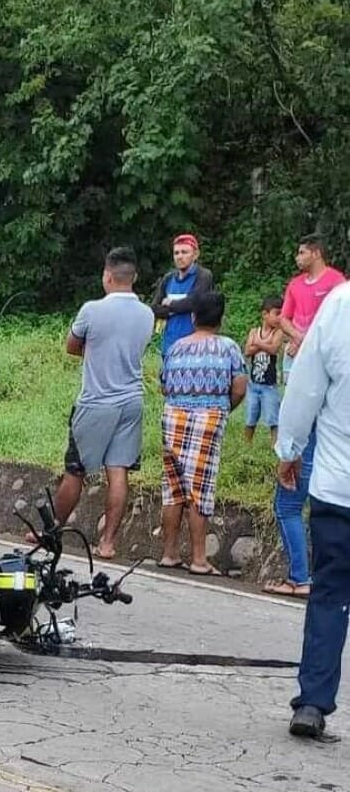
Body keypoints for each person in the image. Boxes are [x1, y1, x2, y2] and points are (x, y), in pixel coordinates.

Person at [276, 280, 350, 739]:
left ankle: (313, 704)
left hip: (338, 484)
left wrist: (290, 448)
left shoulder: (339, 305)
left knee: (329, 593)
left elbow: (304, 389)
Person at [47, 247, 155, 559]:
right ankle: (107, 542)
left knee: (75, 470)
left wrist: (95, 352)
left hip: (96, 402)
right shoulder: (147, 314)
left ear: (107, 276)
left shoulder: (91, 310)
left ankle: (53, 529)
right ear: (133, 278)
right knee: (118, 471)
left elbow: (71, 346)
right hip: (132, 401)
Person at [158, 292, 247, 575]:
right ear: (220, 319)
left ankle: (169, 553)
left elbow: (164, 385)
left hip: (173, 415)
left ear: (193, 316)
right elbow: (240, 387)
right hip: (209, 418)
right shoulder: (229, 348)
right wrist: (221, 408)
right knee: (200, 488)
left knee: (173, 487)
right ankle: (198, 558)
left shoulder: (176, 347)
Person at [279, 234, 345, 384]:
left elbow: (341, 320)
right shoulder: (294, 284)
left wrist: (306, 342)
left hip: (324, 355)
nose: (297, 258)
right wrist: (297, 337)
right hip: (295, 353)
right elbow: (284, 318)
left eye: (302, 253)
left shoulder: (337, 281)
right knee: (292, 402)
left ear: (316, 254)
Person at [262, 428, 316, 598]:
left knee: (287, 507)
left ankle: (299, 579)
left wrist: (289, 454)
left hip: (309, 436)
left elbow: (300, 410)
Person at [150, 233, 215, 360]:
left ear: (195, 255)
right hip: (169, 346)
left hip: (195, 347)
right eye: (176, 253)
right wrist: (179, 307)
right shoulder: (168, 278)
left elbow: (195, 302)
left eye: (184, 252)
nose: (180, 257)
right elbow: (154, 308)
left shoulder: (203, 275)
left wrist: (170, 304)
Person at [243, 294, 284, 443]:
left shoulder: (278, 333)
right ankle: (246, 445)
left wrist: (258, 344)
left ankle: (275, 446)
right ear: (265, 314)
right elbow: (247, 351)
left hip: (269, 385)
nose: (279, 317)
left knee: (273, 420)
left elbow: (273, 349)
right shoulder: (254, 332)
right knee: (250, 418)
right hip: (253, 384)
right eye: (276, 313)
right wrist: (263, 344)